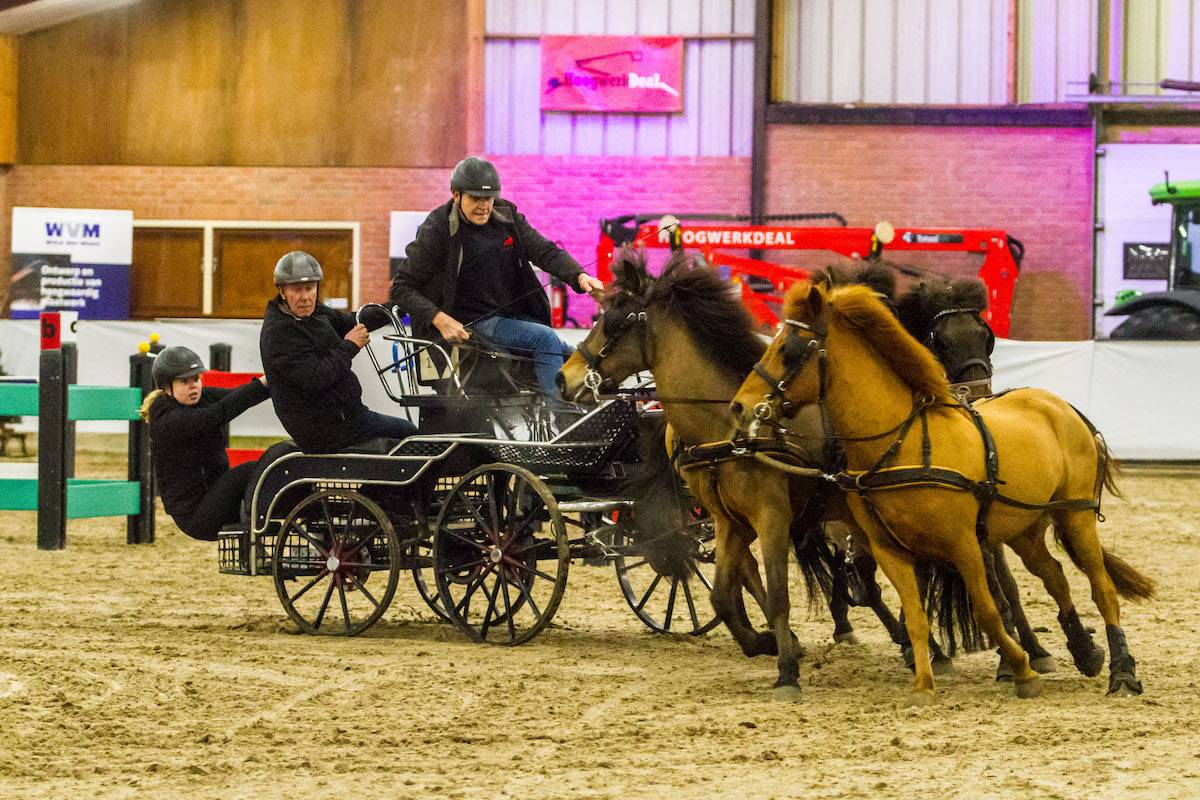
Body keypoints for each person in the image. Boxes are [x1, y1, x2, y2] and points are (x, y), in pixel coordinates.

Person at [390, 156, 605, 399]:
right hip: (471, 325)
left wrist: (579, 276)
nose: (484, 206)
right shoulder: (437, 228)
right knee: (544, 339)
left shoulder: (506, 216)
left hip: (509, 317)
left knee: (568, 352)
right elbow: (401, 288)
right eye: (475, 198)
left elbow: (544, 251)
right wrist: (440, 319)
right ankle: (563, 417)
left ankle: (594, 409)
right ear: (456, 195)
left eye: (489, 198)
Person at [261, 250, 417, 453]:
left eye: (309, 288)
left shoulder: (316, 313)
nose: (305, 297)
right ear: (282, 292)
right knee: (410, 435)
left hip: (347, 418)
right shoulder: (279, 332)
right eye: (297, 290)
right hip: (326, 430)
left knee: (409, 435)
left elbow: (354, 321)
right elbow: (315, 378)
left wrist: (402, 305)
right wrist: (350, 345)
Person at [140, 346, 271, 541]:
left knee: (272, 461)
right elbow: (218, 413)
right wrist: (269, 380)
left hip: (215, 498)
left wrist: (274, 381)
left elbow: (238, 394)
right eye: (184, 381)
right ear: (167, 387)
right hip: (195, 516)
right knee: (250, 470)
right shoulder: (168, 418)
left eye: (196, 379)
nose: (193, 386)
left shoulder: (201, 397)